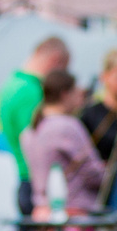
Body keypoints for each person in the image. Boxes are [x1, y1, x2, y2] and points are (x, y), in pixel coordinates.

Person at [0, 35, 71, 213]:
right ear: (55, 60)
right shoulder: (31, 92)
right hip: (38, 185)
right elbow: (39, 141)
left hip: (25, 178)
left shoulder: (11, 85)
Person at [26, 69, 109, 216]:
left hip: (41, 214)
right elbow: (92, 173)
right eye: (76, 92)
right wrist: (110, 173)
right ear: (65, 94)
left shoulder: (31, 130)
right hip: (73, 216)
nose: (80, 97)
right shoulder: (67, 126)